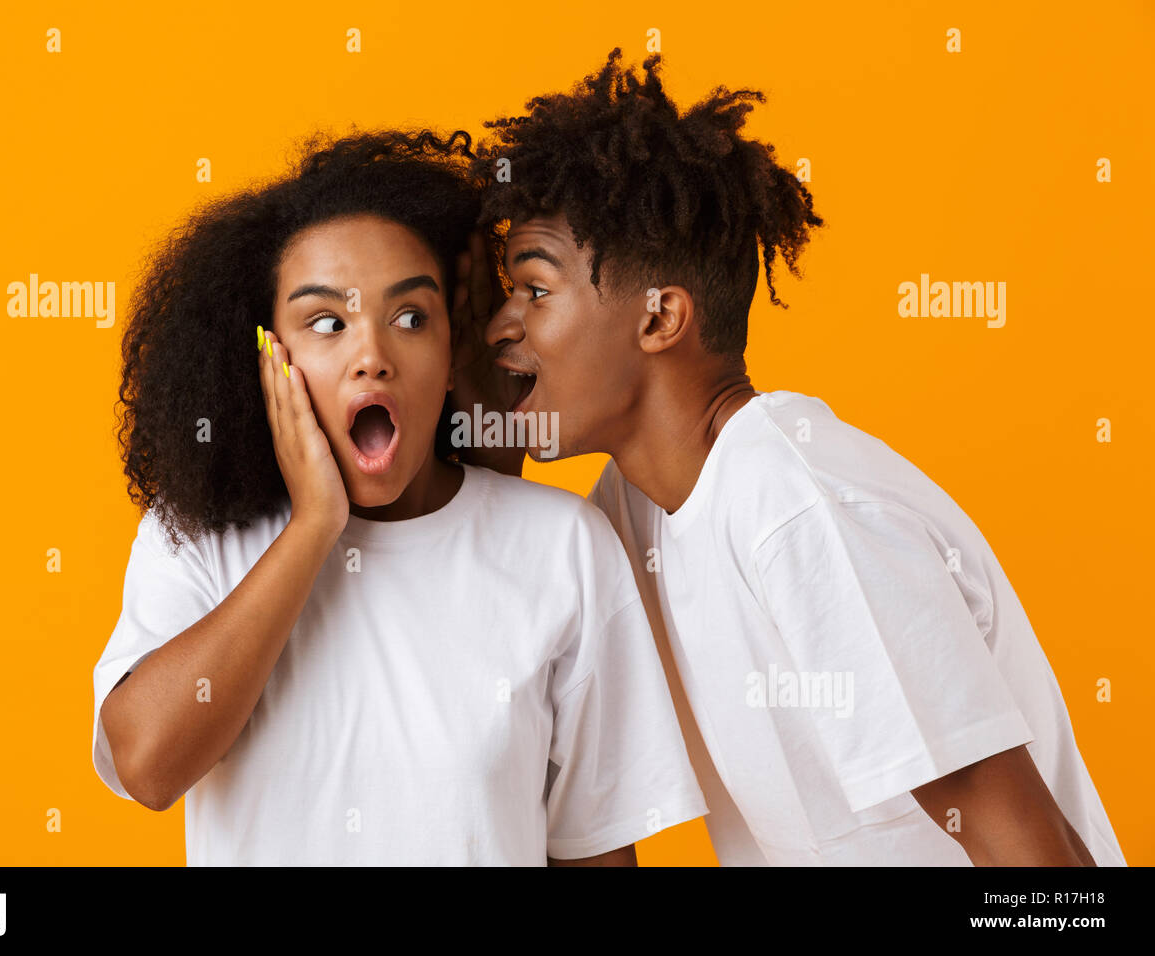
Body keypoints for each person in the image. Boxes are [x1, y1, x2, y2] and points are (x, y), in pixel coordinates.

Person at [470, 49, 1126, 866]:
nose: (502, 322)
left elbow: (1042, 871)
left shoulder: (795, 508)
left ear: (658, 318)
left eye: (534, 290)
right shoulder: (633, 507)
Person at [91, 129, 707, 865]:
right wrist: (315, 526)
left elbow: (595, 851)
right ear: (266, 359)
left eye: (411, 319)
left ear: (452, 354)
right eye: (327, 324)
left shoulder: (562, 546)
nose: (372, 357)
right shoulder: (198, 535)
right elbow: (148, 766)